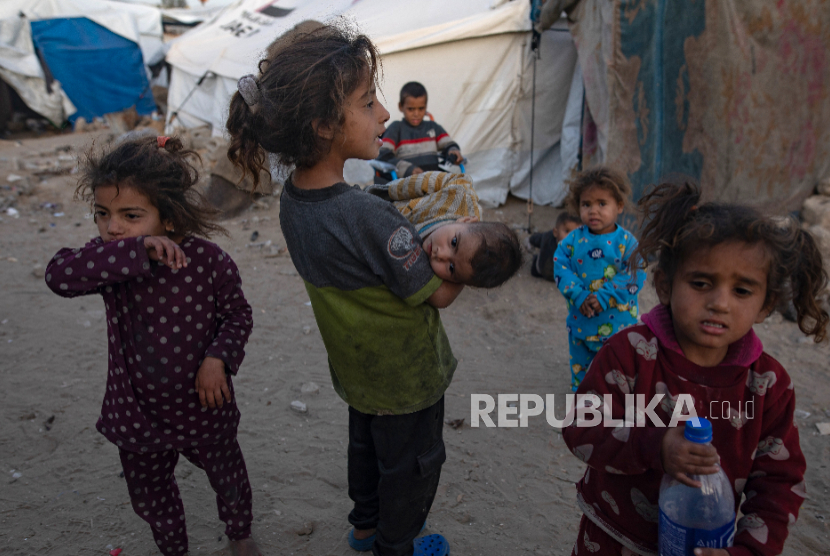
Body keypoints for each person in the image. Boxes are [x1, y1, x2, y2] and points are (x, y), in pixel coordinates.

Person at [225, 24, 457, 556]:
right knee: (412, 467)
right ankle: (395, 545)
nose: (382, 115)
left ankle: (365, 528)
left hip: (358, 374)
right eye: (368, 101)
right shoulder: (369, 216)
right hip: (407, 379)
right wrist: (463, 250)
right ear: (324, 125)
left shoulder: (292, 201)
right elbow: (437, 294)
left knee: (366, 449)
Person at [562, 181, 827, 556]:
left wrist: (747, 550)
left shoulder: (767, 386)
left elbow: (780, 483)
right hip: (612, 538)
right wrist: (657, 445)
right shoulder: (631, 353)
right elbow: (581, 426)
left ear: (766, 305)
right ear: (666, 286)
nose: (720, 303)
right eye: (701, 283)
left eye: (742, 291)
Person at [44, 136, 260, 556]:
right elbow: (58, 276)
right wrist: (133, 250)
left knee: (227, 475)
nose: (113, 227)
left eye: (131, 215)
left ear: (172, 218)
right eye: (103, 214)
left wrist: (219, 359)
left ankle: (239, 532)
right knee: (151, 496)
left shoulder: (207, 261)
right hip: (136, 413)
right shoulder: (110, 262)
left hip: (203, 405)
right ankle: (173, 548)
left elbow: (238, 315)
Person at [553, 167, 645, 391]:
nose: (593, 210)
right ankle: (583, 402)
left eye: (602, 204)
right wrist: (579, 294)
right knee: (581, 373)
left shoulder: (626, 242)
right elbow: (560, 266)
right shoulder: (572, 241)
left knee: (620, 369)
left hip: (618, 325)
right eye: (587, 204)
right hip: (581, 322)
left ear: (619, 206)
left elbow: (635, 272)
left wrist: (605, 295)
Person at [368, 171, 522, 288]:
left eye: (451, 267)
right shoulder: (458, 198)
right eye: (454, 243)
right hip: (389, 201)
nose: (440, 254)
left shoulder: (420, 266)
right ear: (466, 220)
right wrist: (390, 191)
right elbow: (457, 180)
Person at [377, 81, 462, 178]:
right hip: (407, 184)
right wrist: (408, 169)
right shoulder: (396, 128)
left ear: (426, 107)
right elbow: (383, 155)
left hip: (433, 181)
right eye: (411, 109)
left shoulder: (432, 127)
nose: (416, 114)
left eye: (421, 108)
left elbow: (448, 144)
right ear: (401, 107)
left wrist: (453, 151)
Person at [527, 211, 582, 281]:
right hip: (544, 268)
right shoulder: (547, 238)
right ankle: (536, 259)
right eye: (567, 231)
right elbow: (538, 238)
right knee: (536, 270)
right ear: (556, 232)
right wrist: (531, 240)